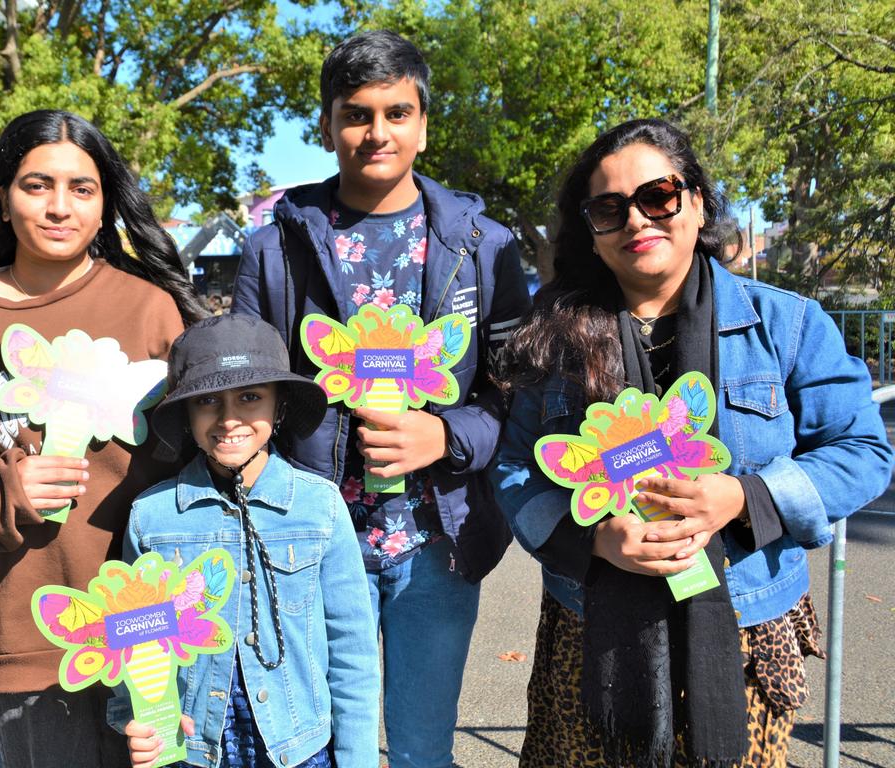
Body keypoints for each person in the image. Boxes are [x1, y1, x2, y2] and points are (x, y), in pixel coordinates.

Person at [491, 117, 894, 768]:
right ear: (591, 231)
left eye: (659, 196)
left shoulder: (788, 326)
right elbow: (514, 467)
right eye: (609, 207)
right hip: (591, 630)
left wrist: (742, 496)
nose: (638, 220)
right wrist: (590, 537)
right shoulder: (558, 335)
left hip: (742, 632)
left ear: (697, 201)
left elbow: (862, 451)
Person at [231, 29, 530, 767]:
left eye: (397, 113)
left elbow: (517, 394)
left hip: (438, 541)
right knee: (329, 746)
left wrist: (447, 436)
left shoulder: (485, 247)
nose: (377, 132)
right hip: (314, 541)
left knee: (424, 746)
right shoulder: (274, 249)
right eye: (357, 114)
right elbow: (246, 391)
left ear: (424, 124)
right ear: (328, 125)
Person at [0, 109, 205, 768]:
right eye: (36, 185)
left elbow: (208, 455)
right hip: (29, 634)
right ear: (2, 198)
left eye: (81, 189)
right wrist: (7, 485)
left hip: (153, 627)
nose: (59, 207)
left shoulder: (151, 308)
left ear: (105, 204)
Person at [117, 314, 379, 768]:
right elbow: (134, 647)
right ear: (186, 415)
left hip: (300, 747)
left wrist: (357, 759)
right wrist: (137, 722)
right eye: (207, 401)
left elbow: (352, 650)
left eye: (250, 397)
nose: (229, 418)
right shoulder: (151, 518)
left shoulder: (320, 506)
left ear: (278, 407)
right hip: (195, 751)